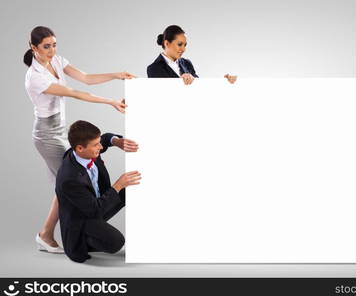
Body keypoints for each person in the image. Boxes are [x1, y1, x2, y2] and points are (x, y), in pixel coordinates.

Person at [24, 26, 136, 253]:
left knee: (62, 187)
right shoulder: (34, 78)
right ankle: (78, 231)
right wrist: (111, 102)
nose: (52, 50)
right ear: (34, 48)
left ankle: (46, 234)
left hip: (59, 129)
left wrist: (116, 74)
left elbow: (85, 78)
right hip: (47, 135)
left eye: (54, 45)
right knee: (70, 180)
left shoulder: (56, 61)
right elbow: (75, 93)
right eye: (46, 47)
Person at [56, 120, 141, 263]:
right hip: (83, 219)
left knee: (133, 190)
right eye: (96, 145)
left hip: (96, 203)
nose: (101, 147)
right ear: (80, 148)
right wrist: (118, 185)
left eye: (99, 142)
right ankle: (86, 241)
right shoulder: (69, 179)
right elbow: (96, 210)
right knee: (116, 242)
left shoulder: (82, 151)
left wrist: (116, 141)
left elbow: (106, 138)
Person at [147, 25, 237, 85]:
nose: (183, 49)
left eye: (185, 45)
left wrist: (223, 82)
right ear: (167, 43)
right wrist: (180, 81)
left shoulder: (186, 63)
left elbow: (199, 86)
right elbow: (162, 95)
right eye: (179, 44)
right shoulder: (154, 68)